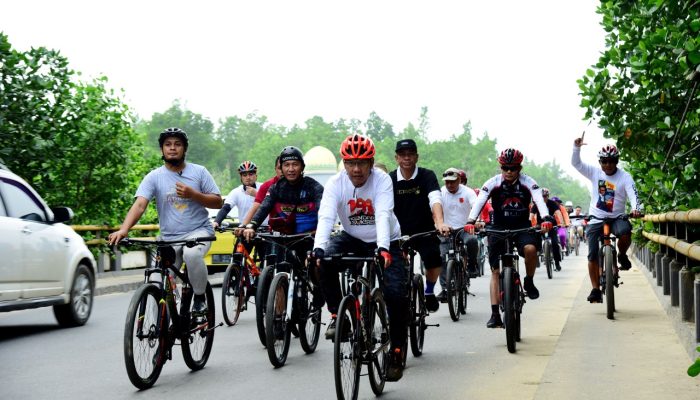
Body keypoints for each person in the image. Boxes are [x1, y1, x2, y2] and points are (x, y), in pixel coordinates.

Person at [312, 133, 407, 381]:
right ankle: (337, 314)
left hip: (386, 240)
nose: (356, 169)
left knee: (396, 294)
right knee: (323, 263)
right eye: (351, 163)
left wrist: (384, 248)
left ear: (371, 163)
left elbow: (383, 214)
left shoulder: (382, 180)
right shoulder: (335, 183)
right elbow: (326, 217)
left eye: (362, 163)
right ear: (343, 164)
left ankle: (396, 351)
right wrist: (319, 249)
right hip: (352, 237)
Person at [108, 127, 222, 321]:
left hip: (198, 232)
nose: (172, 148)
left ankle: (200, 298)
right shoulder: (154, 177)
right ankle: (160, 327)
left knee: (192, 254)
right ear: (162, 150)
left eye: (177, 144)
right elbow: (140, 204)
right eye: (167, 145)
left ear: (184, 149)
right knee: (156, 279)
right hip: (169, 238)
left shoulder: (199, 172)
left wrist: (193, 194)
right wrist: (124, 229)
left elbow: (218, 202)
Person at [465, 148, 553, 328]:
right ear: (501, 167)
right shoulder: (493, 182)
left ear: (519, 168)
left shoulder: (529, 182)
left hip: (522, 226)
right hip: (497, 226)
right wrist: (470, 221)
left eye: (513, 168)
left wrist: (546, 218)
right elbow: (480, 201)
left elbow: (538, 200)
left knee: (530, 249)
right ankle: (495, 313)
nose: (509, 172)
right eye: (505, 168)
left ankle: (528, 280)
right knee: (495, 271)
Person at [572, 139, 641, 303]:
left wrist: (636, 208)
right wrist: (576, 148)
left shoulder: (625, 177)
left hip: (618, 216)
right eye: (604, 161)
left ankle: (622, 254)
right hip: (596, 218)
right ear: (600, 162)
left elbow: (633, 194)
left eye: (611, 161)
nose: (608, 164)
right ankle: (595, 289)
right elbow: (576, 164)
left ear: (616, 161)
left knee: (625, 233)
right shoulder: (595, 172)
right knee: (592, 254)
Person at [390, 139, 451, 313]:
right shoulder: (390, 179)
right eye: (402, 155)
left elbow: (435, 199)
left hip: (424, 229)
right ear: (397, 158)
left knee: (433, 258)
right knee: (394, 268)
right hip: (398, 232)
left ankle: (429, 291)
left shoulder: (427, 175)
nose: (406, 158)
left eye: (410, 154)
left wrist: (439, 222)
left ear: (416, 157)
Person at [437, 167, 479, 302]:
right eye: (447, 182)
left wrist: (476, 222)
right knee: (442, 257)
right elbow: (433, 210)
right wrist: (438, 224)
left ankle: (472, 265)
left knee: (472, 240)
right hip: (446, 229)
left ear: (459, 180)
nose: (449, 185)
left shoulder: (468, 192)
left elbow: (476, 206)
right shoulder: (440, 193)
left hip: (464, 228)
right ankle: (445, 289)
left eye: (452, 182)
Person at [213, 161, 260, 231]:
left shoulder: (263, 187)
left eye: (251, 174)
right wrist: (216, 221)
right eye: (244, 175)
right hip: (244, 228)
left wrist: (257, 194)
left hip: (263, 228)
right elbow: (226, 208)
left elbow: (270, 204)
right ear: (241, 177)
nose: (248, 177)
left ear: (256, 175)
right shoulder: (236, 192)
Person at [530, 188, 564, 271]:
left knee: (555, 243)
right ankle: (537, 256)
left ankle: (557, 262)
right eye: (542, 196)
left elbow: (558, 213)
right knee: (535, 241)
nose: (544, 198)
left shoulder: (552, 203)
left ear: (548, 196)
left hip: (552, 225)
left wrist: (561, 223)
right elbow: (531, 215)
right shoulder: (536, 205)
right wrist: (530, 225)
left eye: (545, 196)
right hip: (540, 226)